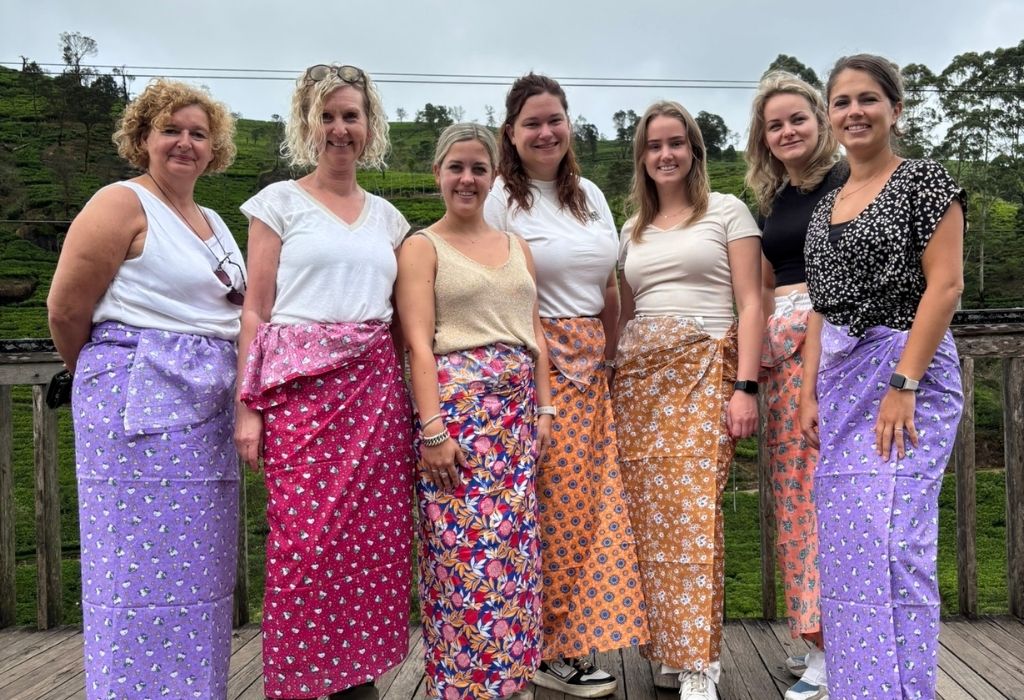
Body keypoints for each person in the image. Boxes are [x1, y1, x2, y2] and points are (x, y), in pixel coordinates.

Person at [47, 79, 244, 700]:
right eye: (171, 130)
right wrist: (108, 377)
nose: (185, 142)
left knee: (200, 573)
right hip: (137, 407)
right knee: (137, 573)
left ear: (215, 149)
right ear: (143, 139)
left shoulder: (212, 220)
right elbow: (64, 309)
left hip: (207, 414)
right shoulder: (120, 203)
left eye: (198, 133)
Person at [233, 64, 413, 700]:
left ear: (370, 127)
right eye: (328, 116)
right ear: (307, 126)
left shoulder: (390, 220)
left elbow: (401, 324)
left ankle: (356, 678)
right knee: (304, 545)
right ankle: (305, 683)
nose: (341, 128)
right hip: (299, 399)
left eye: (352, 116)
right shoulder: (277, 204)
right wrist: (247, 406)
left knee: (368, 546)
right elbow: (256, 309)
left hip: (375, 398)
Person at [800, 54, 965, 700]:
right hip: (840, 388)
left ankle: (904, 691)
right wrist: (812, 391)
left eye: (868, 99)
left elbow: (945, 285)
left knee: (897, 547)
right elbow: (821, 308)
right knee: (850, 550)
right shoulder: (826, 207)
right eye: (842, 102)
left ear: (895, 109)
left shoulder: (925, 183)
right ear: (830, 116)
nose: (854, 112)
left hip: (904, 378)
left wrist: (905, 385)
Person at [484, 73, 648, 698]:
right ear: (512, 133)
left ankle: (568, 643)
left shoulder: (592, 197)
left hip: (591, 369)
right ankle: (542, 646)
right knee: (548, 508)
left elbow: (607, 286)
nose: (545, 132)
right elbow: (501, 285)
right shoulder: (502, 197)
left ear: (568, 124)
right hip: (535, 365)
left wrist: (612, 353)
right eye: (532, 123)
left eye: (554, 119)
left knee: (586, 510)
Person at [396, 122, 552, 700]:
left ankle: (511, 683)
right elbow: (417, 343)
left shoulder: (518, 247)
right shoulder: (422, 245)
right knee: (461, 560)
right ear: (438, 173)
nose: (467, 178)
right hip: (457, 425)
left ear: (493, 178)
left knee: (514, 557)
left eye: (478, 169)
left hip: (516, 426)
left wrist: (546, 412)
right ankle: (463, 688)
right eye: (456, 167)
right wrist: (432, 431)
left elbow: (533, 330)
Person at [612, 101, 762, 700]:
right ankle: (667, 650)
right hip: (640, 383)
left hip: (706, 371)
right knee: (649, 521)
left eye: (676, 143)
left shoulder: (727, 212)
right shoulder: (633, 229)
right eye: (654, 146)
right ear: (642, 157)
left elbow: (751, 303)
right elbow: (623, 310)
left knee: (696, 517)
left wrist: (745, 386)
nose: (665, 154)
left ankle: (701, 662)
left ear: (695, 152)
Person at [744, 70, 848, 700]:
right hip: (780, 361)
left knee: (830, 500)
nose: (787, 131)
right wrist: (751, 373)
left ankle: (835, 650)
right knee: (792, 501)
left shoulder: (849, 183)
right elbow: (757, 288)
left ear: (821, 121)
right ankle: (814, 637)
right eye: (774, 124)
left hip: (832, 355)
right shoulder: (772, 198)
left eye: (797, 119)